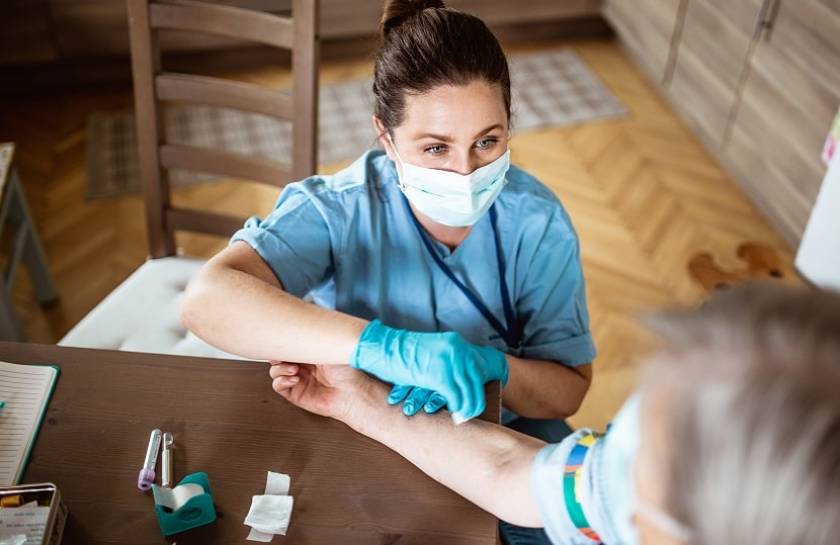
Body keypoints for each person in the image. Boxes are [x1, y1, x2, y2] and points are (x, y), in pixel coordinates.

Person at [182, 2, 593, 540]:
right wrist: (388, 349)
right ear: (386, 137)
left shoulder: (535, 223)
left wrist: (493, 366)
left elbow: (566, 393)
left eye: (487, 142)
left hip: (502, 432)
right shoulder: (338, 209)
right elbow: (207, 301)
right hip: (366, 428)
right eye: (436, 148)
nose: (465, 172)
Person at [269, 283, 840, 545]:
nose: (620, 460)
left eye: (643, 464)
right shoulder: (631, 472)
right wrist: (356, 400)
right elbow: (512, 474)